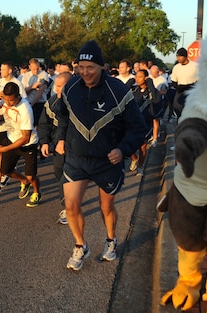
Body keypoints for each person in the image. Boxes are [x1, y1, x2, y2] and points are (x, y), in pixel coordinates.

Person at [56, 41, 148, 269]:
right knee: (71, 205)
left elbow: (138, 128)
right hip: (77, 158)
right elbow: (62, 116)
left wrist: (123, 150)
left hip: (107, 160)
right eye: (81, 67)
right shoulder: (70, 87)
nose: (85, 72)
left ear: (103, 67)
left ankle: (111, 239)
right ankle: (80, 245)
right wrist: (59, 138)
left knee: (106, 206)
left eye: (91, 67)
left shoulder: (118, 91)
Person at [0, 82, 42, 207]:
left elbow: (25, 138)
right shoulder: (5, 101)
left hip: (28, 144)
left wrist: (5, 149)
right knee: (5, 171)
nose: (9, 103)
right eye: (6, 100)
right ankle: (24, 181)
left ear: (18, 96)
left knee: (31, 176)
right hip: (12, 138)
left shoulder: (25, 109)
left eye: (11, 101)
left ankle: (36, 192)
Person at [38, 72, 72, 223]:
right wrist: (44, 142)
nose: (56, 89)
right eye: (55, 86)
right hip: (58, 149)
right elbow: (44, 124)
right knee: (59, 174)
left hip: (75, 148)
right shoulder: (51, 103)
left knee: (69, 177)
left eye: (60, 86)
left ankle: (68, 208)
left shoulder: (80, 104)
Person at [129, 69, 161, 176]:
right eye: (136, 76)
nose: (137, 79)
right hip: (133, 122)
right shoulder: (134, 90)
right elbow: (121, 92)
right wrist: (130, 82)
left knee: (142, 146)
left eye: (140, 77)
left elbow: (156, 100)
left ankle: (141, 167)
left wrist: (150, 83)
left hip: (146, 123)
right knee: (128, 144)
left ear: (146, 78)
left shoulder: (152, 91)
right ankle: (134, 158)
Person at [170, 48, 199, 118]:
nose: (178, 58)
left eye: (180, 56)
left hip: (191, 90)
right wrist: (177, 88)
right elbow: (173, 80)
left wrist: (190, 86)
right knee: (176, 105)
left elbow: (199, 80)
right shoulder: (176, 67)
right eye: (177, 57)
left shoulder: (195, 66)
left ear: (185, 57)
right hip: (180, 90)